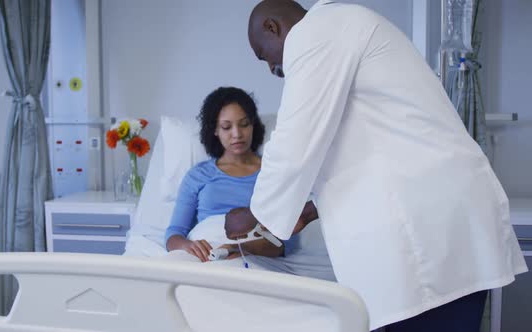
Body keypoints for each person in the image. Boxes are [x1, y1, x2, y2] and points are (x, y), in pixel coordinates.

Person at [224, 1, 528, 331]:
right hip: (445, 218)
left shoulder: (316, 32)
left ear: (273, 27)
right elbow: (370, 150)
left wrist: (258, 215)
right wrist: (310, 210)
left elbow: (294, 142)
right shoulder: (344, 28)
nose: (272, 67)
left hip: (427, 229)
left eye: (264, 55)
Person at [165, 86, 297, 262]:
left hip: (256, 255)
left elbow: (286, 240)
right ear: (215, 130)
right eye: (226, 127)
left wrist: (240, 248)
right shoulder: (198, 175)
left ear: (253, 125)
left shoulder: (273, 172)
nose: (237, 134)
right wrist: (187, 246)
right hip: (205, 255)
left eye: (244, 124)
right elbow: (174, 233)